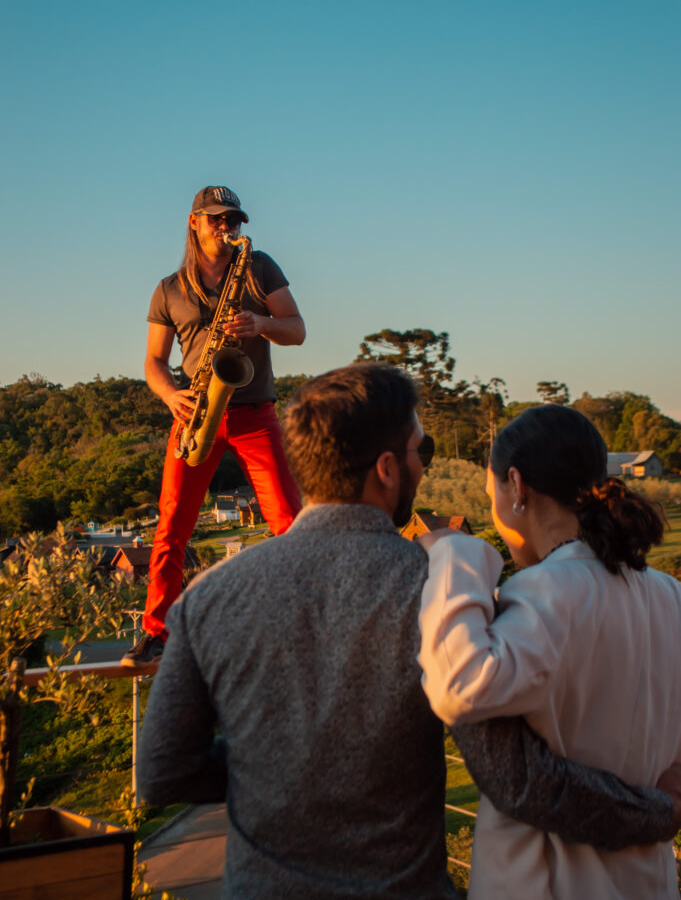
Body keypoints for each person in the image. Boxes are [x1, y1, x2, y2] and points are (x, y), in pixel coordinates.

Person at [138, 365, 679, 899]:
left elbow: (162, 772)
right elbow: (518, 780)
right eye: (421, 451)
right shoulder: (438, 591)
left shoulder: (208, 596)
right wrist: (658, 814)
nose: (424, 466)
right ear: (388, 469)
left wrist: (271, 759)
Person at [419, 404, 681, 899]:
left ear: (516, 486)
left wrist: (455, 556)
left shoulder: (545, 593)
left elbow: (457, 685)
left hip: (545, 884)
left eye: (491, 491)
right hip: (649, 882)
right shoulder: (670, 595)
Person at [122, 185, 304, 667]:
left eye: (235, 221)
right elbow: (154, 362)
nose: (228, 228)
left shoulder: (259, 266)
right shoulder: (168, 289)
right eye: (218, 219)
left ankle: (304, 624)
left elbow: (298, 330)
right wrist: (170, 394)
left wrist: (261, 324)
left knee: (289, 521)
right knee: (172, 527)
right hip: (197, 414)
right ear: (194, 222)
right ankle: (157, 631)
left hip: (254, 412)